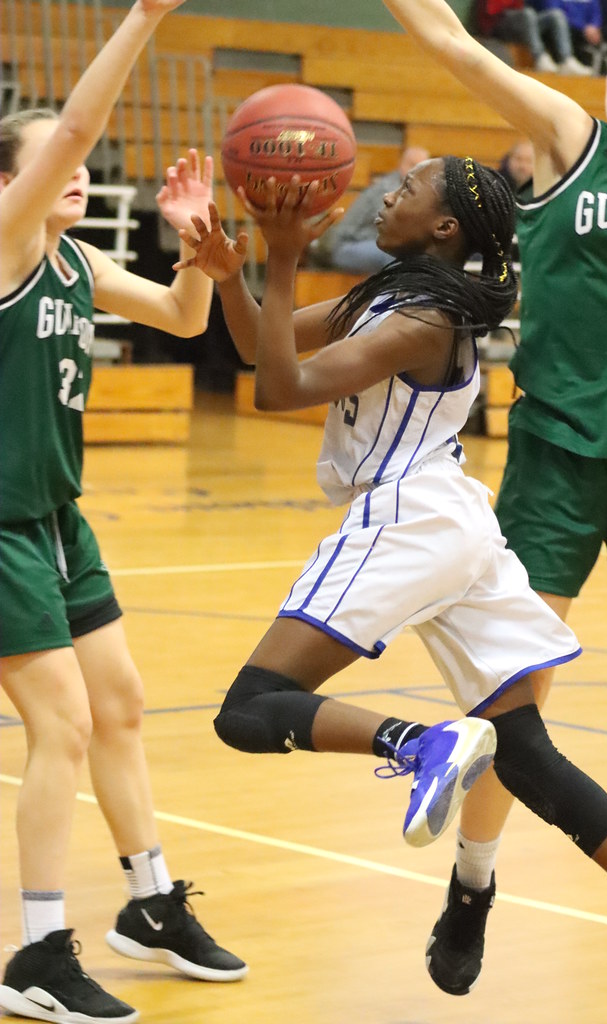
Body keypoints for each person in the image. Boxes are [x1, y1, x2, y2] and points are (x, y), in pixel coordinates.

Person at [175, 149, 607, 1001]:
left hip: (406, 516)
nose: (385, 195)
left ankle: (418, 744)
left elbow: (277, 390)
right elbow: (257, 340)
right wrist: (236, 277)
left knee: (248, 709)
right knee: (524, 751)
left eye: (406, 189)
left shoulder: (422, 320)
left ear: (443, 227)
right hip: (458, 525)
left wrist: (287, 247)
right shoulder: (395, 296)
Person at [381, 0, 607, 999]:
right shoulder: (570, 139)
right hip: (555, 451)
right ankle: (472, 883)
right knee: (514, 699)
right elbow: (447, 40)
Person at [0, 4, 248, 1023]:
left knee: (122, 706)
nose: (76, 168)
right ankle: (34, 951)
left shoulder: (78, 264)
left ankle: (148, 906)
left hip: (59, 521)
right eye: (49, 158)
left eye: (79, 166)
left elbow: (187, 320)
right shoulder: (10, 248)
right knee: (58, 723)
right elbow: (70, 133)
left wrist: (196, 250)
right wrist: (144, 18)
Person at [313, 145, 429, 274]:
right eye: (411, 164)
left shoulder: (413, 191)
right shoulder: (387, 188)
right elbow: (393, 229)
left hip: (371, 244)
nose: (415, 171)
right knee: (391, 255)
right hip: (345, 246)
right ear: (400, 164)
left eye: (421, 167)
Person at [477, 0, 591, 73]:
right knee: (528, 14)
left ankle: (566, 59)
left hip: (525, 22)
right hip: (500, 23)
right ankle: (539, 57)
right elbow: (492, 11)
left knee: (556, 15)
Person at [529, 0, 607, 71]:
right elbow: (553, 10)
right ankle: (566, 60)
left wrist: (594, 26)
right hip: (568, 28)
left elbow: (596, 13)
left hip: (589, 31)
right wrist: (583, 27)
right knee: (557, 17)